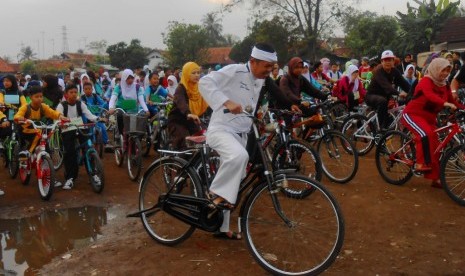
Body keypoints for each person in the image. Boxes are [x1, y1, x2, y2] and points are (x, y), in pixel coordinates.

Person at [199, 43, 299, 240]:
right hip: (221, 130)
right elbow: (205, 82)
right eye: (266, 67)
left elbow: (265, 100)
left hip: (242, 133)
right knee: (239, 157)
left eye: (272, 67)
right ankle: (214, 197)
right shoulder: (233, 71)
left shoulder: (260, 79)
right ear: (253, 61)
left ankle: (222, 228)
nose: (269, 72)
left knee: (236, 178)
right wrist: (226, 102)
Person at [401, 58, 462, 188]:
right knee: (426, 134)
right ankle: (420, 164)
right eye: (443, 70)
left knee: (437, 146)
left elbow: (453, 101)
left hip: (428, 119)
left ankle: (435, 178)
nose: (445, 73)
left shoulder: (445, 85)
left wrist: (462, 108)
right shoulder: (425, 81)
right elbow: (429, 95)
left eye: (448, 70)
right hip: (412, 115)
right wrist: (444, 103)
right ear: (435, 69)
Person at [56, 84, 100, 190]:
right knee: (69, 153)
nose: (74, 94)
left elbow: (89, 115)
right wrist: (61, 123)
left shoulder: (81, 104)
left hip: (80, 127)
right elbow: (57, 117)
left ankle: (93, 174)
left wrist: (98, 118)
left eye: (75, 92)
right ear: (66, 94)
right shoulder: (61, 105)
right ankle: (70, 178)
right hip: (67, 129)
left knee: (88, 148)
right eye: (71, 92)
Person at [14, 86, 66, 161]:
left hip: (36, 130)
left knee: (44, 141)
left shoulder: (43, 107)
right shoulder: (25, 107)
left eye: (41, 96)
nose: (39, 98)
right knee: (40, 132)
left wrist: (60, 116)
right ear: (31, 97)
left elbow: (52, 113)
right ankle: (28, 152)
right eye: (36, 96)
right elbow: (17, 115)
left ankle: (46, 161)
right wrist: (19, 118)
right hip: (24, 130)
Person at [167, 62, 209, 150]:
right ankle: (182, 162)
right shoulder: (181, 88)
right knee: (185, 141)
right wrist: (188, 113)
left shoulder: (199, 87)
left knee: (204, 136)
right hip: (178, 120)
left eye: (198, 73)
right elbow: (180, 101)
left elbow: (208, 99)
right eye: (193, 73)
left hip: (192, 120)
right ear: (186, 74)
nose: (197, 75)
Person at [365, 50, 410, 130]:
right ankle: (381, 129)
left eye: (389, 60)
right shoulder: (378, 72)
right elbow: (387, 86)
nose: (387, 62)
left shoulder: (395, 72)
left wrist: (414, 92)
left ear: (393, 61)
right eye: (385, 60)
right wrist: (399, 93)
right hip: (371, 96)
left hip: (385, 98)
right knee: (382, 101)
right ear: (381, 62)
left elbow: (404, 84)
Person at [108, 69, 149, 139]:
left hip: (133, 111)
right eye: (128, 78)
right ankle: (120, 136)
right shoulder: (119, 87)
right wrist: (111, 108)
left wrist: (146, 110)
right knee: (120, 118)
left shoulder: (137, 87)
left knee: (137, 128)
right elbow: (113, 98)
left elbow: (141, 100)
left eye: (132, 78)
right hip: (122, 111)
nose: (130, 80)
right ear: (124, 78)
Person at [80, 82, 110, 148]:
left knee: (103, 127)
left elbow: (102, 103)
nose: (88, 90)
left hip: (97, 117)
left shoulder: (96, 96)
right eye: (86, 89)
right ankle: (89, 144)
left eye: (89, 89)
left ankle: (106, 142)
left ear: (92, 89)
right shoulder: (82, 98)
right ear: (83, 90)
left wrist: (106, 104)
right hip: (87, 119)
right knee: (88, 131)